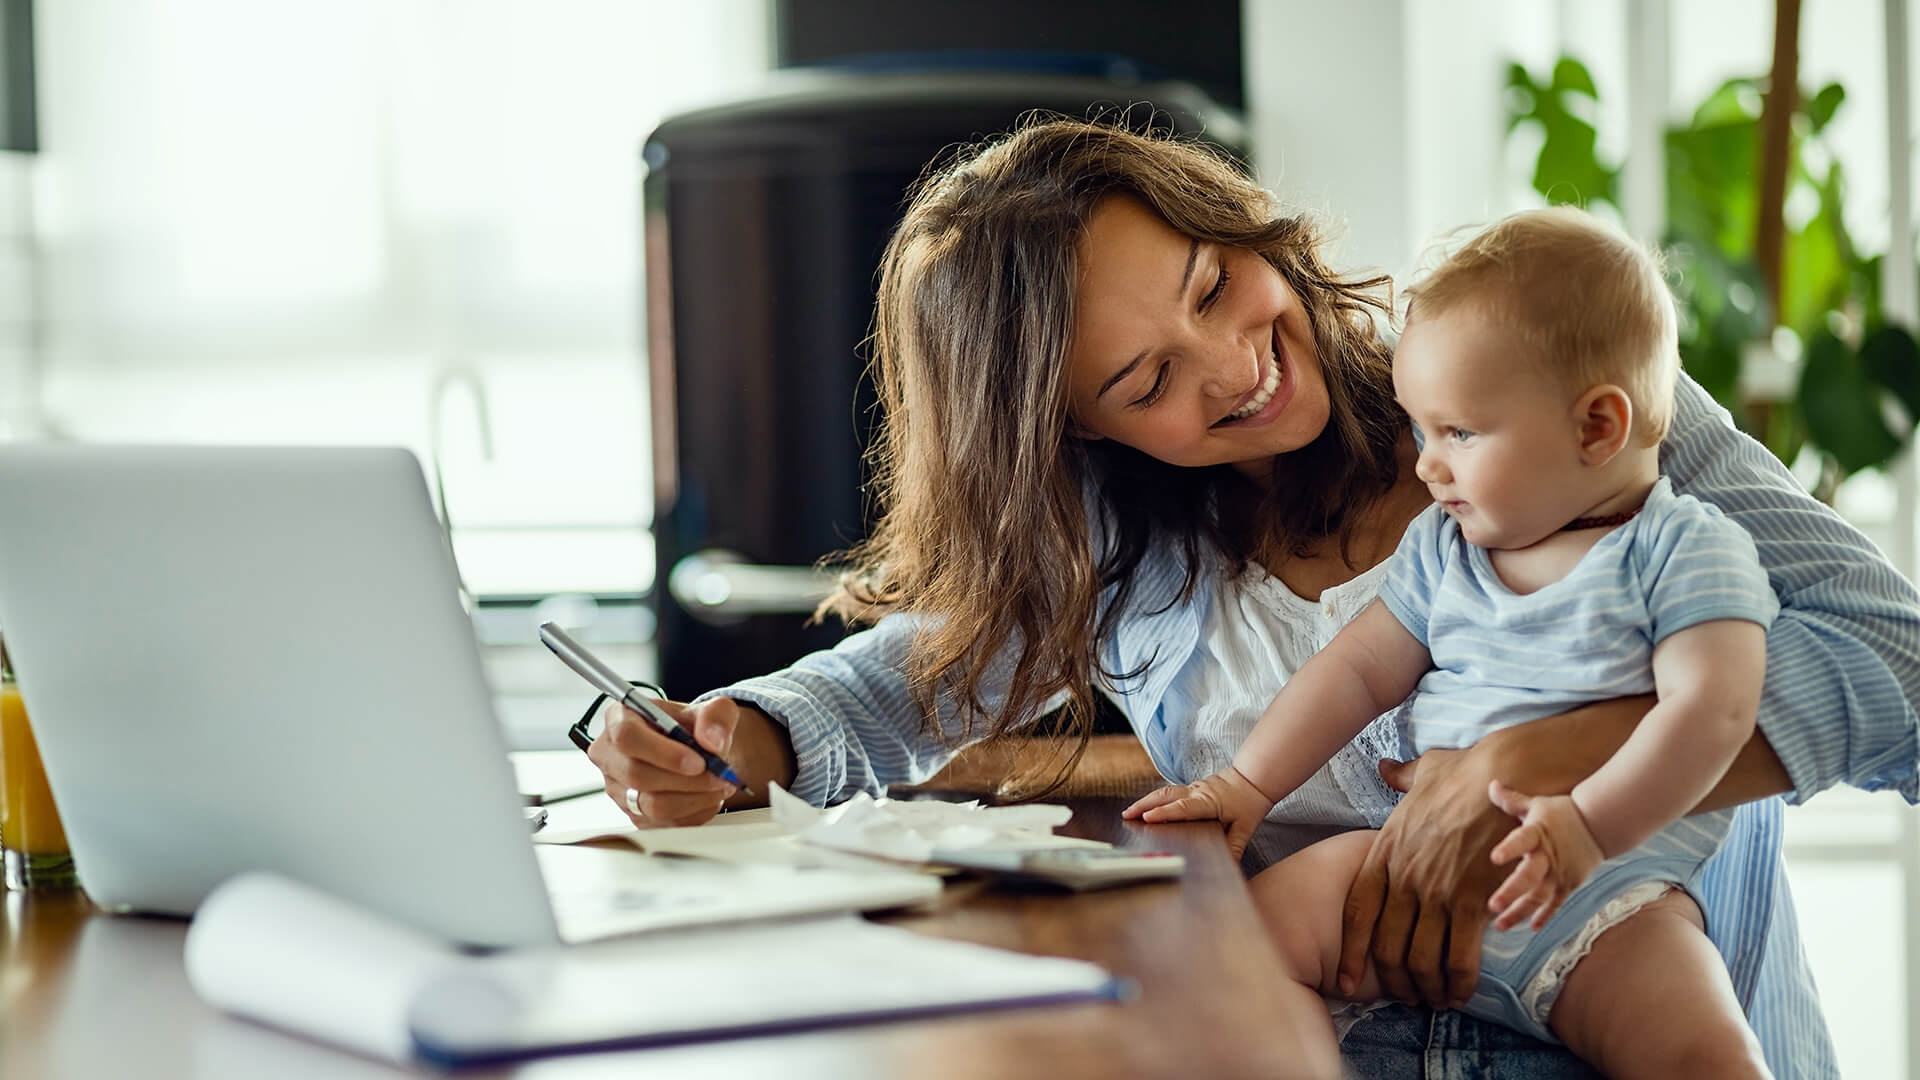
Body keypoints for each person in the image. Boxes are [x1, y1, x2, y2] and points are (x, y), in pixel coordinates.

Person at [586, 117, 1920, 1078]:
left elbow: (1899, 672)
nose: (1231, 370)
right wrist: (726, 740)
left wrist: (1541, 755)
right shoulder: (1124, 536)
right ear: (1080, 437)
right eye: (1144, 384)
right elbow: (899, 681)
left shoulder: (1560, 404)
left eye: (1216, 288)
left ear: (1238, 226)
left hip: (1633, 1008)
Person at [1125, 206, 1775, 1076]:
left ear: (1596, 429)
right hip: (1406, 866)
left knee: (1707, 1051)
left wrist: (1585, 824)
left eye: (1459, 434)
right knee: (1241, 947)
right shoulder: (1446, 545)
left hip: (1611, 900)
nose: (1427, 465)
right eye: (1421, 429)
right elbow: (1357, 669)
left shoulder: (1683, 550)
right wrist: (1247, 783)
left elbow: (1717, 710)